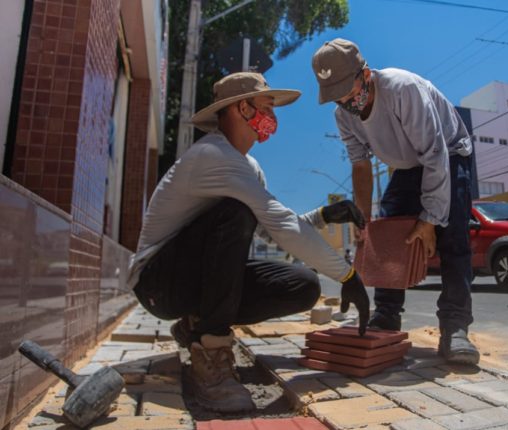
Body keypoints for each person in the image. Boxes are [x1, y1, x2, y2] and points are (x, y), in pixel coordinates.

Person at [127, 72, 370, 412]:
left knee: (303, 285)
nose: (273, 117)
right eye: (267, 107)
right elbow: (278, 223)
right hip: (157, 283)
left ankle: (195, 325)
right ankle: (212, 359)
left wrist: (324, 215)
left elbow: (271, 229)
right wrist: (348, 275)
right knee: (236, 212)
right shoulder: (212, 154)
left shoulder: (248, 166)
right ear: (243, 108)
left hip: (189, 279)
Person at [311, 39, 479, 363]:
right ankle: (386, 316)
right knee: (385, 235)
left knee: (453, 237)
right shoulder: (343, 115)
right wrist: (363, 219)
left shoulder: (403, 89)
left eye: (348, 91)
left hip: (449, 152)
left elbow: (434, 156)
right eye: (337, 97)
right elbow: (360, 164)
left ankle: (455, 327)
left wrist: (429, 220)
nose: (346, 102)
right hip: (407, 166)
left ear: (366, 74)